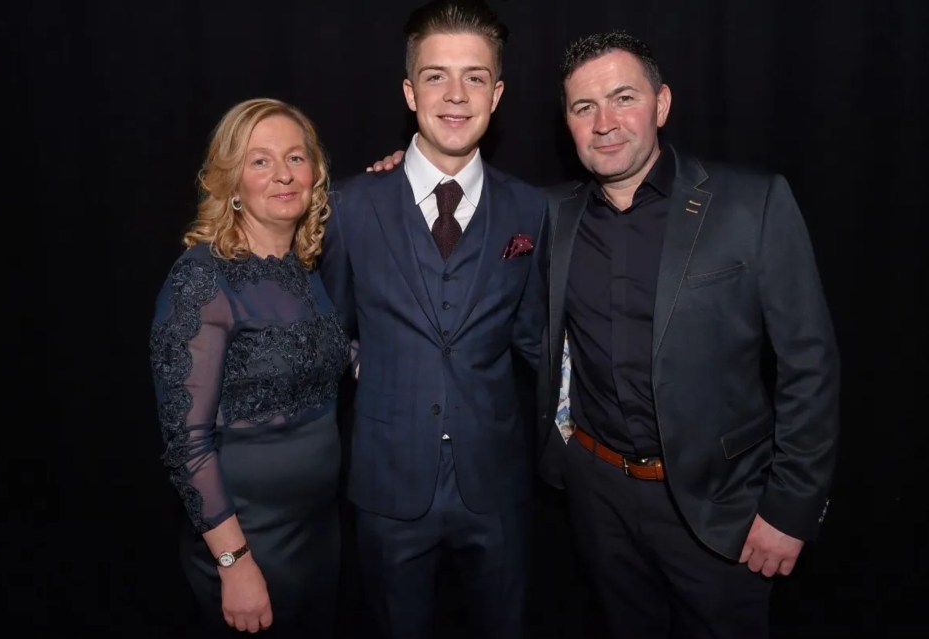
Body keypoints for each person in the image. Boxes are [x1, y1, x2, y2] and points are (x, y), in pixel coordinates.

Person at [533, 32, 841, 639]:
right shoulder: (546, 214)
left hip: (721, 509)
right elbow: (454, 200)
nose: (605, 123)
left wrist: (791, 508)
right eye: (583, 107)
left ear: (662, 104)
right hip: (597, 498)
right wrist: (398, 164)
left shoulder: (751, 204)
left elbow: (810, 364)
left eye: (624, 98)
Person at [318, 2, 548, 637]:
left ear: (496, 94)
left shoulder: (532, 210)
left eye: (474, 77)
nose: (455, 95)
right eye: (436, 75)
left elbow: (537, 339)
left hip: (497, 487)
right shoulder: (350, 206)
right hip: (388, 486)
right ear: (408, 89)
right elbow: (332, 334)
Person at [148, 98, 349, 638]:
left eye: (295, 158)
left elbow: (315, 360)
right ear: (231, 182)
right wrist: (234, 563)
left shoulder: (305, 270)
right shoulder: (202, 279)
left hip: (318, 537)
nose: (283, 174)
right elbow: (186, 443)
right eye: (260, 161)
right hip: (247, 542)